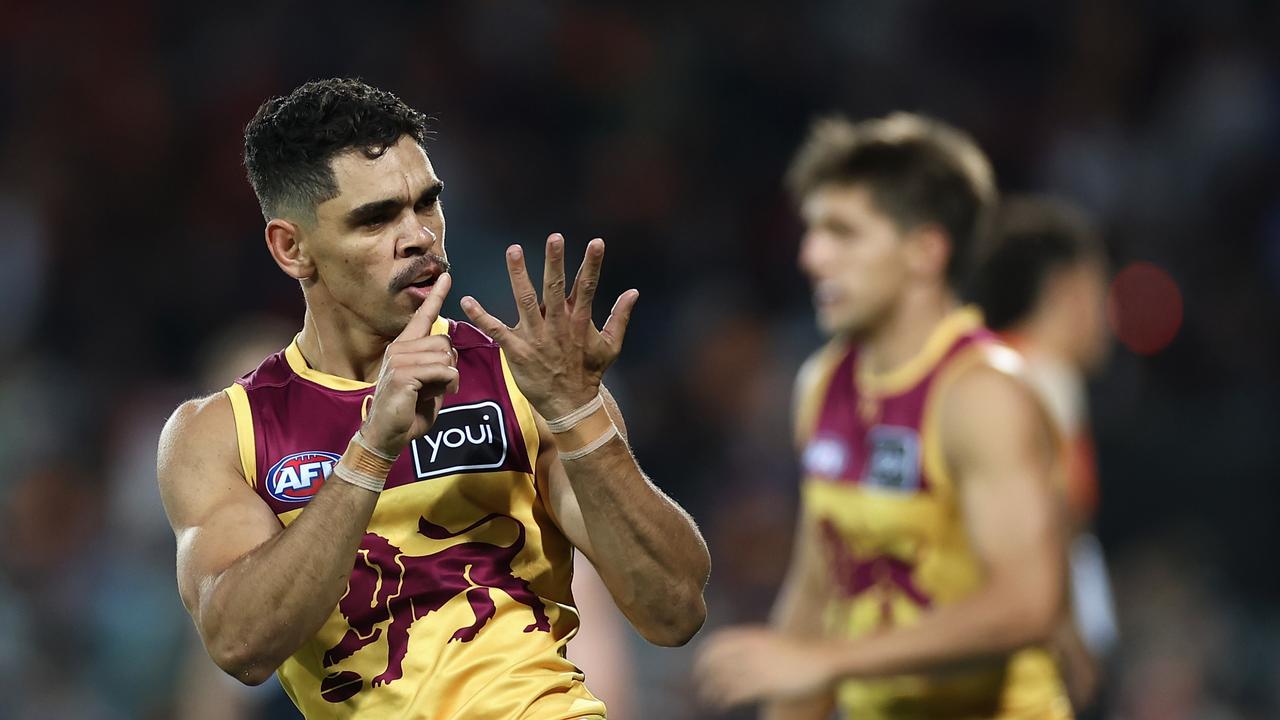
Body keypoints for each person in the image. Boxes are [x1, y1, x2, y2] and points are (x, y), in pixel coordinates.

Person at [156, 78, 710, 720]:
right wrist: (371, 451)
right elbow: (240, 645)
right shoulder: (222, 433)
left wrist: (578, 413)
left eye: (427, 204)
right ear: (292, 248)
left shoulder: (523, 378)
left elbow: (675, 611)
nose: (418, 236)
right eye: (377, 218)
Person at [695, 113, 1072, 719]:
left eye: (843, 233)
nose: (812, 256)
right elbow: (821, 586)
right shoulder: (820, 383)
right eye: (812, 230)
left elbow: (1029, 603)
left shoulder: (982, 395)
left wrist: (833, 661)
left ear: (925, 250)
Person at [971, 195, 1119, 711]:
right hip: (1031, 656)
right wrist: (1066, 632)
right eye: (1102, 289)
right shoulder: (1037, 377)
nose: (1109, 313)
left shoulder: (996, 367)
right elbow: (1044, 520)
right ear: (1068, 288)